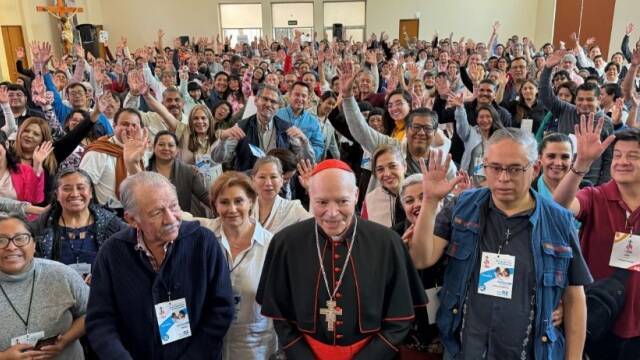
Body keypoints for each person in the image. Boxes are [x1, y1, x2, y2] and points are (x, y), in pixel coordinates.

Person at [411, 129, 592, 359]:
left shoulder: (558, 221)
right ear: (484, 166)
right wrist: (429, 201)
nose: (503, 178)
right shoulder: (462, 207)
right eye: (495, 168)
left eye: (515, 169)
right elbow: (421, 258)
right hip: (465, 349)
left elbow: (575, 298)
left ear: (535, 169)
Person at [257, 159, 426, 359]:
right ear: (310, 196)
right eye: (321, 202)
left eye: (342, 201)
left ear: (355, 195)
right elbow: (281, 316)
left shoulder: (387, 242)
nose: (332, 213)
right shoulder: (286, 242)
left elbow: (399, 320)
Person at [86, 171, 234, 359]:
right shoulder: (112, 252)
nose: (171, 219)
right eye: (157, 212)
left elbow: (222, 309)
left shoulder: (203, 242)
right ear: (131, 219)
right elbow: (100, 320)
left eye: (174, 206)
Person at [553, 121, 640, 360]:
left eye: (632, 156)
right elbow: (558, 207)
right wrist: (581, 163)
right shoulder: (595, 196)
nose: (622, 161)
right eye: (618, 155)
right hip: (595, 318)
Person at [194, 171, 277, 359]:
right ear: (214, 205)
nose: (232, 209)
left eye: (239, 201)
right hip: (208, 344)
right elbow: (171, 213)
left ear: (251, 201)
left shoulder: (271, 246)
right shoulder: (201, 237)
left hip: (255, 348)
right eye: (224, 202)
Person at [0, 215, 89, 359]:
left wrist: (65, 340)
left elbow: (93, 311)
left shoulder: (61, 274)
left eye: (20, 238)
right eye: (1, 240)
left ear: (34, 244)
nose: (11, 247)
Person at [31, 168, 127, 279]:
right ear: (57, 194)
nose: (75, 194)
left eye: (81, 188)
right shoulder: (41, 227)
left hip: (101, 293)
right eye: (67, 189)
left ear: (90, 192)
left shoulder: (111, 224)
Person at [540, 49, 614, 185]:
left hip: (589, 183)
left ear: (598, 100)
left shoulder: (606, 122)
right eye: (580, 99)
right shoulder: (565, 110)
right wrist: (547, 69)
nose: (584, 103)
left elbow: (609, 158)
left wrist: (602, 186)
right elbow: (545, 95)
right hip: (561, 178)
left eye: (589, 100)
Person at [211, 84, 315, 172]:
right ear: (256, 101)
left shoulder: (287, 128)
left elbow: (307, 163)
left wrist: (305, 142)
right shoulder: (241, 126)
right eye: (265, 99)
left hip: (278, 186)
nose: (268, 104)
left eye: (273, 102)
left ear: (278, 106)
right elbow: (218, 159)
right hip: (248, 185)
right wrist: (222, 140)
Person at [126, 130, 211, 217]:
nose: (166, 148)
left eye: (170, 145)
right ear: (154, 148)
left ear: (177, 150)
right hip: (150, 221)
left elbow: (204, 196)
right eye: (161, 144)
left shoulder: (189, 171)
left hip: (180, 222)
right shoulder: (144, 168)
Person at [80, 108, 145, 212]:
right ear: (114, 126)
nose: (129, 129)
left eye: (134, 125)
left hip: (135, 212)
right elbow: (82, 187)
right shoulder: (98, 151)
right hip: (106, 214)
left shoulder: (142, 151)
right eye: (125, 124)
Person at [452, 94, 505, 186]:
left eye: (488, 116)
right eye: (481, 117)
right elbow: (461, 124)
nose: (485, 120)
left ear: (493, 118)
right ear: (477, 119)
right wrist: (460, 108)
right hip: (469, 183)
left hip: (490, 184)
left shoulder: (499, 138)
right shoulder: (470, 133)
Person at [251, 156, 311, 234]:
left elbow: (315, 229)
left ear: (281, 180)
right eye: (262, 177)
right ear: (253, 179)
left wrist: (312, 190)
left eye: (273, 177)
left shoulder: (293, 208)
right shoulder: (245, 207)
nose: (268, 183)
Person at [275, 81, 325, 161]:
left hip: (303, 166)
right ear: (289, 95)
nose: (300, 99)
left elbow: (318, 146)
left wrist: (305, 142)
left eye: (304, 96)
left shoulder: (313, 121)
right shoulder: (277, 115)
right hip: (279, 163)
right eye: (297, 95)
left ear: (308, 98)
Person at [361, 145, 407, 228]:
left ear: (404, 166)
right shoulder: (370, 200)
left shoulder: (421, 192)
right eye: (380, 169)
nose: (387, 174)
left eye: (392, 166)